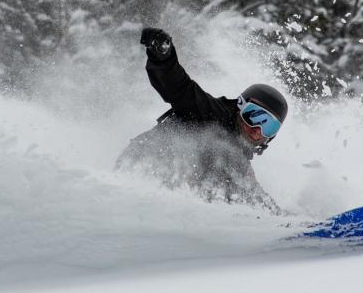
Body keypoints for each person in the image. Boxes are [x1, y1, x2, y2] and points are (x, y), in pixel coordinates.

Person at [116, 27, 288, 214]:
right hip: (143, 164)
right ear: (240, 107)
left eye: (269, 127)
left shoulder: (237, 158)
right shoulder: (211, 114)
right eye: (254, 116)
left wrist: (282, 217)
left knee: (235, 179)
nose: (257, 130)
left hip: (163, 193)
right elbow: (180, 89)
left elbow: (250, 189)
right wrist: (163, 57)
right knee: (229, 162)